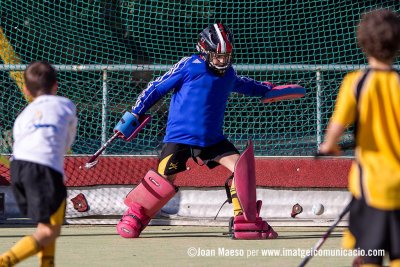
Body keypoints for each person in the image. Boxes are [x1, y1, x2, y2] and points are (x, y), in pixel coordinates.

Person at [115, 23, 305, 239]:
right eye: (217, 56)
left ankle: (244, 221)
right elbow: (157, 87)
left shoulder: (229, 74)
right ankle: (136, 214)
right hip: (180, 137)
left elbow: (248, 85)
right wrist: (136, 111)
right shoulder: (189, 66)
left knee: (241, 170)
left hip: (212, 139)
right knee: (164, 179)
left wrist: (268, 90)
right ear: (204, 51)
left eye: (226, 56)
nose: (222, 61)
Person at [318, 9, 400, 267]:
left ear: (363, 42)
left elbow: (336, 128)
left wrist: (329, 146)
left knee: (369, 257)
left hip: (371, 190)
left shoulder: (356, 82)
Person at [0, 61, 77, 267]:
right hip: (44, 169)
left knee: (48, 226)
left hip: (18, 170)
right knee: (48, 230)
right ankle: (5, 261)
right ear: (56, 85)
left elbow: (20, 144)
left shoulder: (23, 116)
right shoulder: (66, 105)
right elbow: (67, 141)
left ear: (26, 90)